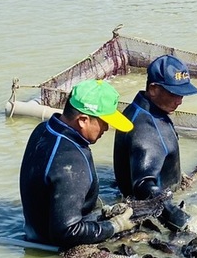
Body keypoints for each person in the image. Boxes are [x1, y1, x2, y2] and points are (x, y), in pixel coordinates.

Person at [20, 79, 138, 248]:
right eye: (104, 122)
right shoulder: (72, 161)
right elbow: (67, 232)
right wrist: (114, 226)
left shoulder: (43, 129)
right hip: (55, 250)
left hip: (33, 235)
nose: (107, 128)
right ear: (83, 120)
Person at [113, 55, 197, 230]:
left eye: (182, 93)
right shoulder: (147, 129)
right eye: (174, 93)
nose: (180, 100)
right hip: (154, 218)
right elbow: (143, 185)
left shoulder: (139, 111)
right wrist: (183, 221)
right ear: (153, 89)